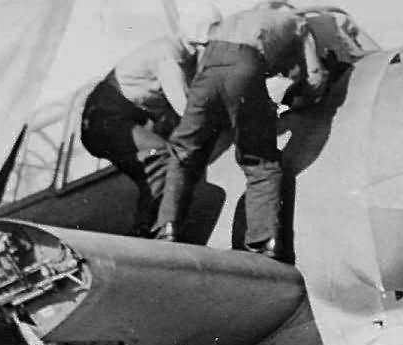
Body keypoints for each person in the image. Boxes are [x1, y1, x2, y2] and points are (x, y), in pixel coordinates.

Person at [154, 2, 326, 257]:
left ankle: (166, 229)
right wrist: (304, 96)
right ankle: (263, 243)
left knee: (183, 152)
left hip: (209, 65)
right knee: (260, 161)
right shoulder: (299, 21)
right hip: (245, 64)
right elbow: (315, 75)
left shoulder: (239, 19)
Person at [81, 29, 207, 236]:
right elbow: (183, 108)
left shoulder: (175, 56)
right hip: (106, 119)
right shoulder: (168, 53)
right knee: (161, 155)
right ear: (197, 44)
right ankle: (155, 231)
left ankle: (148, 227)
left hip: (117, 120)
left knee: (152, 170)